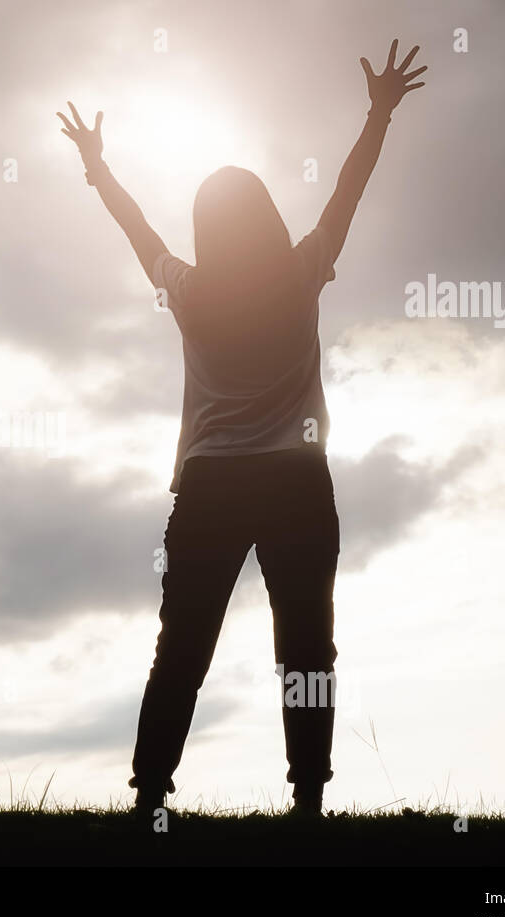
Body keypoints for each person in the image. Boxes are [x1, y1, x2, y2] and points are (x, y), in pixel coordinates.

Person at [57, 40, 426, 819]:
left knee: (182, 649)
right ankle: (310, 800)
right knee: (306, 649)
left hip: (213, 485)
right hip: (296, 479)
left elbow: (137, 230)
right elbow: (348, 193)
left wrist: (97, 166)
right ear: (266, 218)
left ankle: (151, 796)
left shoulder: (189, 289)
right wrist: (380, 113)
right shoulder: (301, 270)